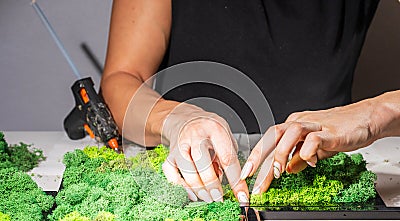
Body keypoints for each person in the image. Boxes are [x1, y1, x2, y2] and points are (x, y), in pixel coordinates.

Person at [101, 0, 398, 203]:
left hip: (324, 177)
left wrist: (377, 112)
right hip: (181, 178)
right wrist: (176, 118)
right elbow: (123, 77)